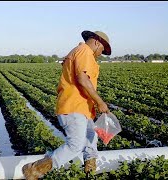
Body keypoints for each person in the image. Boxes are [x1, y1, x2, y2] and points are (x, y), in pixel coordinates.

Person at [22, 30, 112, 180]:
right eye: (102, 50)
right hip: (73, 107)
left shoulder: (82, 52)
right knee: (75, 145)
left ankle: (90, 171)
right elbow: (83, 79)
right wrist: (100, 101)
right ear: (97, 43)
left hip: (83, 109)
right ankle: (34, 170)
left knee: (91, 138)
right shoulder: (84, 51)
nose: (101, 54)